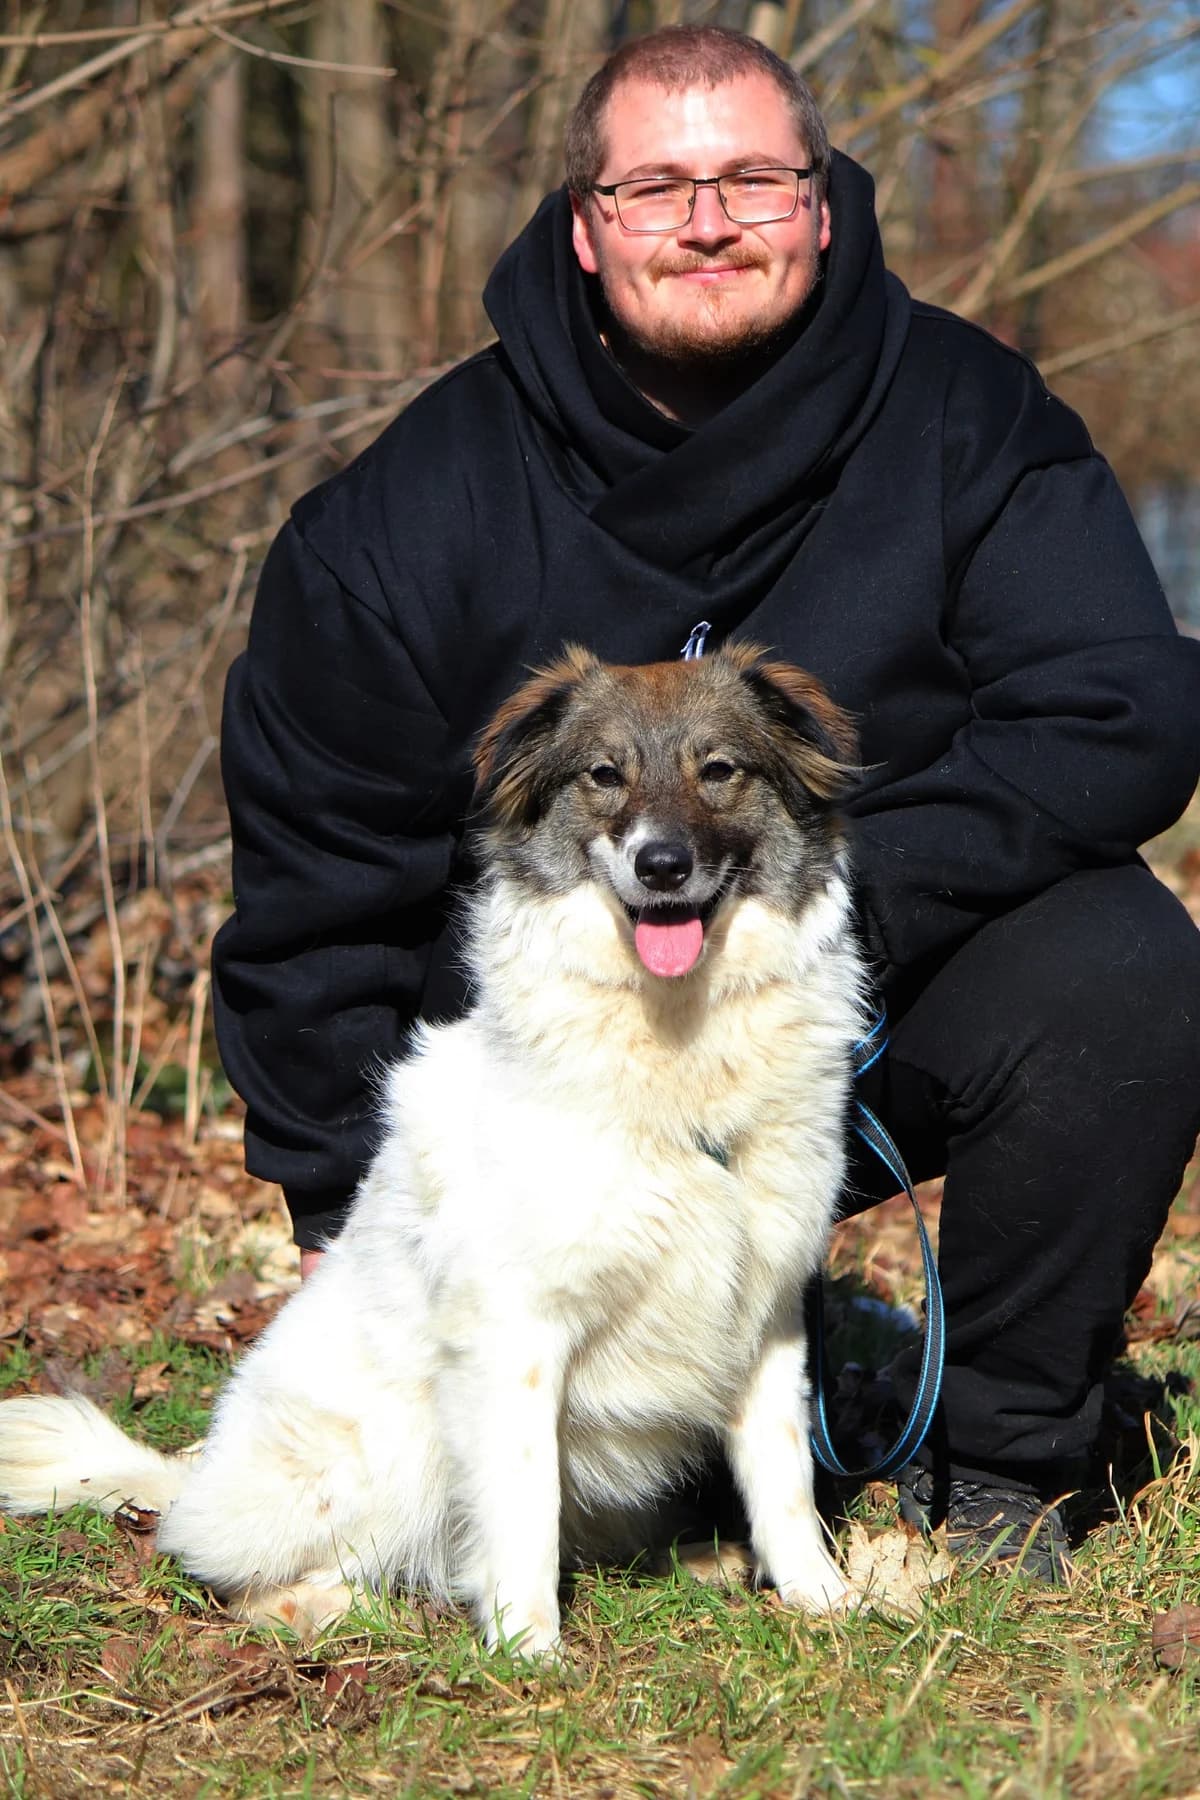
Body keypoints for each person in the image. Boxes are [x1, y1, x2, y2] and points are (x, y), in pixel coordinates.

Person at [212, 25, 1200, 1579]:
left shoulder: (965, 411)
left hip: (843, 1016)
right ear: (588, 223)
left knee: (1126, 967)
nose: (709, 218)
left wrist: (838, 893)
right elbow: (319, 864)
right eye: (658, 185)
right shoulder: (413, 506)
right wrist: (340, 1195)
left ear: (819, 200)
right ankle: (631, 1456)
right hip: (544, 1080)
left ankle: (1002, 1467)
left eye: (752, 175)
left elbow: (1119, 708)